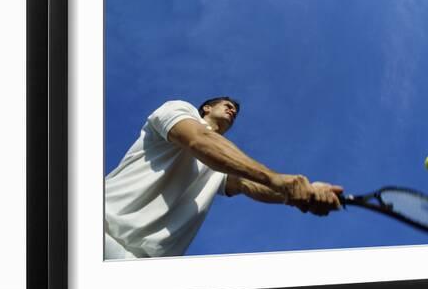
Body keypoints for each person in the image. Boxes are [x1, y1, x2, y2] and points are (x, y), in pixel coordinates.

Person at [105, 97, 343, 259]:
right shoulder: (177, 109)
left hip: (143, 270)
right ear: (206, 108)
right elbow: (199, 140)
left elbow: (248, 184)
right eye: (227, 105)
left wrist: (302, 192)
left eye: (235, 112)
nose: (233, 110)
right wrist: (276, 179)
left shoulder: (222, 166)